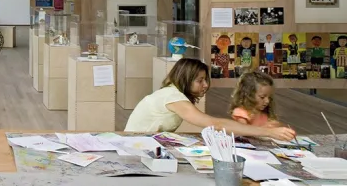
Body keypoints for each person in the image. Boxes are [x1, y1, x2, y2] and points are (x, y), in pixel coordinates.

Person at [125, 58, 296, 141]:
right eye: (200, 81)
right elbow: (216, 124)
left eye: (206, 79)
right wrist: (268, 132)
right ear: (185, 78)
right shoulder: (173, 97)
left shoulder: (173, 94)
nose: (205, 85)